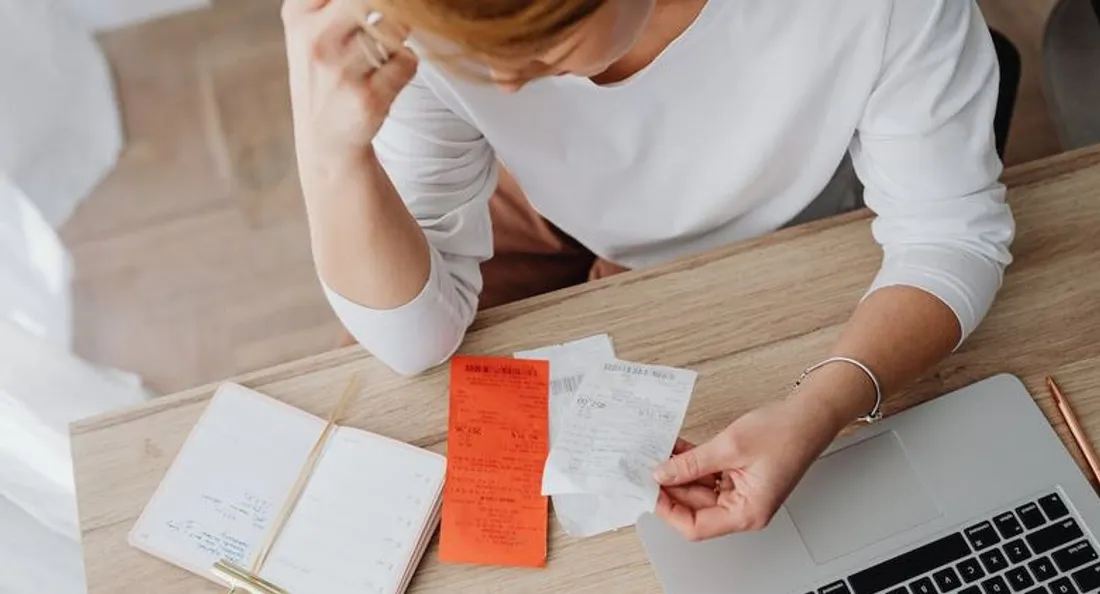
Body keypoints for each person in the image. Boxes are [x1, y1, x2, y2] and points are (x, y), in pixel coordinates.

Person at [281, 0, 1015, 541]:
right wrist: (329, 152)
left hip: (769, 212)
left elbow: (951, 237)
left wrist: (821, 407)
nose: (502, 85)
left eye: (542, 40)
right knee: (368, 401)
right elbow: (413, 342)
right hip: (525, 188)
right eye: (474, 52)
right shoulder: (425, 22)